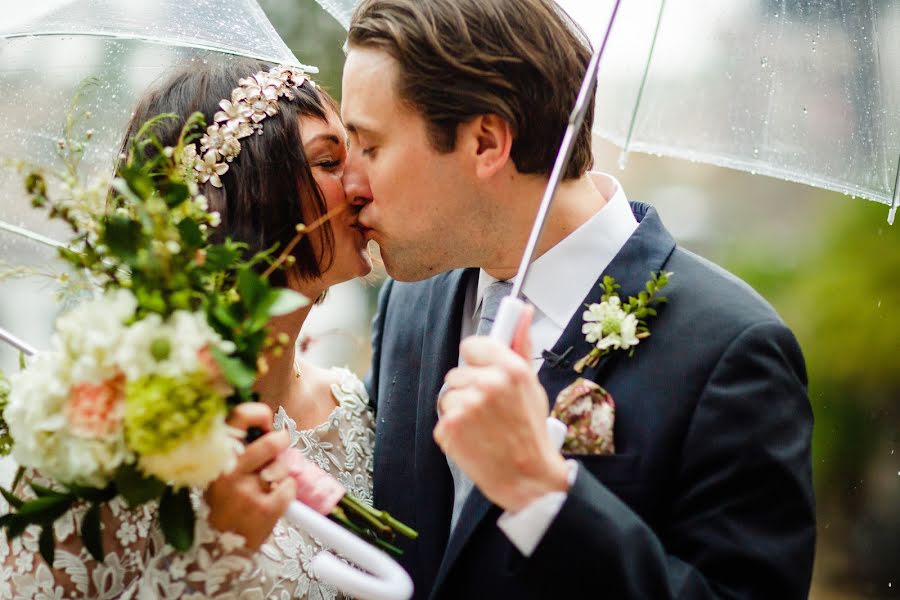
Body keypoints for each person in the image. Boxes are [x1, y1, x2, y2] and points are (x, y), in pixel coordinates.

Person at [341, 0, 816, 598]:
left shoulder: (732, 350)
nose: (349, 184)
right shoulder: (411, 306)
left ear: (486, 141)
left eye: (371, 147)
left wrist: (543, 492)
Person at [0, 57, 374, 599]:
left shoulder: (354, 407)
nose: (361, 183)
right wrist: (214, 554)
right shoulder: (102, 440)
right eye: (328, 161)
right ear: (245, 196)